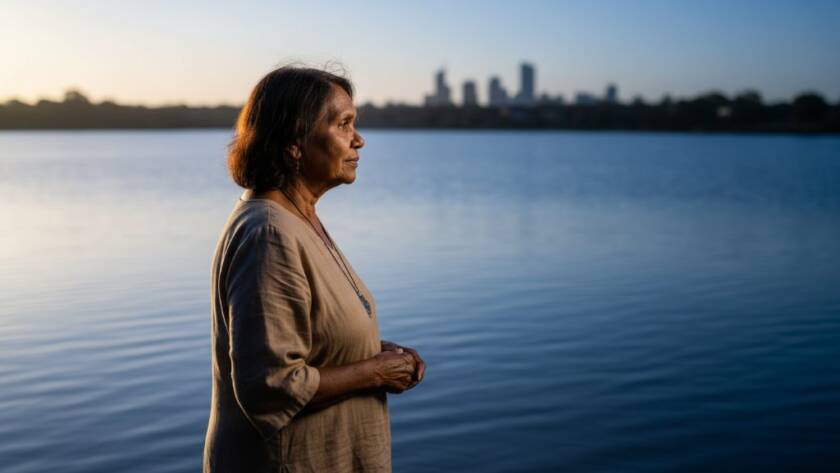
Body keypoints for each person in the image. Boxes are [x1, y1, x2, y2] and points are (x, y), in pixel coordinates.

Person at [203, 66, 425, 473]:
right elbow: (270, 386)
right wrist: (374, 372)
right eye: (343, 124)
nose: (358, 140)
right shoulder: (269, 233)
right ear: (294, 144)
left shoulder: (298, 218)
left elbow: (312, 337)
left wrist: (374, 351)